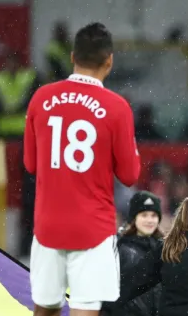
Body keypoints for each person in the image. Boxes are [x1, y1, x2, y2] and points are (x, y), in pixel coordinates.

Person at [23, 22, 141, 316]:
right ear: (109, 61)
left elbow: (30, 164)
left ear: (72, 56)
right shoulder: (116, 107)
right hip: (93, 228)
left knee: (46, 308)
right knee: (85, 309)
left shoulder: (42, 98)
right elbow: (130, 175)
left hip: (49, 224)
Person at [103, 191, 164, 316]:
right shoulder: (120, 249)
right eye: (144, 215)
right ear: (133, 218)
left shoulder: (164, 249)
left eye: (153, 215)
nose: (150, 220)